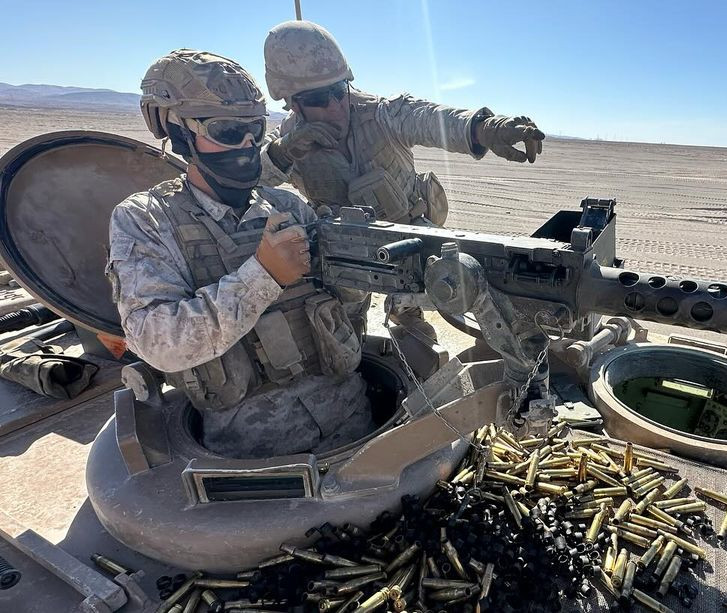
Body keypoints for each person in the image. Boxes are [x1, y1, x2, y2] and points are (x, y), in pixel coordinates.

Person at [106, 49, 374, 458]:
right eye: (229, 131)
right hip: (254, 460)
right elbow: (156, 341)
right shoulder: (147, 220)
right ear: (177, 131)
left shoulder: (289, 206)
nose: (248, 145)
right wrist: (262, 276)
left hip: (358, 430)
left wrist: (364, 268)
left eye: (256, 130)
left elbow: (349, 311)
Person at [260, 19, 547, 226]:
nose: (336, 106)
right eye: (319, 99)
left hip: (407, 232)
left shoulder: (384, 113)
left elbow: (430, 119)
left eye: (338, 91)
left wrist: (485, 129)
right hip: (341, 251)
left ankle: (406, 311)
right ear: (292, 103)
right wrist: (281, 154)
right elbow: (247, 182)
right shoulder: (289, 139)